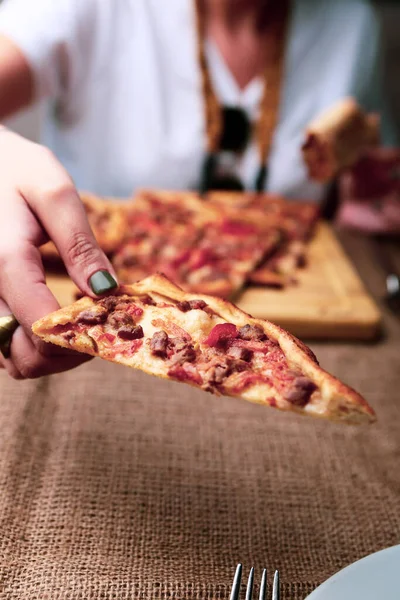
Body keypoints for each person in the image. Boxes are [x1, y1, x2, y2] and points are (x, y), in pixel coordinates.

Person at [0, 0, 397, 380]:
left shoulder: (354, 25)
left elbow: (351, 185)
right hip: (98, 338)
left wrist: (367, 196)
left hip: (297, 334)